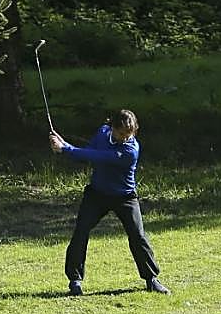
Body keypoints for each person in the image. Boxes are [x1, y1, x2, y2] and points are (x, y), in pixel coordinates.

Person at [49, 108, 170, 295]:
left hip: (125, 197)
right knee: (81, 231)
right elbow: (89, 153)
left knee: (138, 236)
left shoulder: (131, 150)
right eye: (121, 134)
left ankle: (151, 279)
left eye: (129, 134)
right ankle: (75, 281)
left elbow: (99, 157)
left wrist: (65, 148)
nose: (125, 138)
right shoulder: (102, 133)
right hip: (97, 194)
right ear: (112, 128)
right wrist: (63, 147)